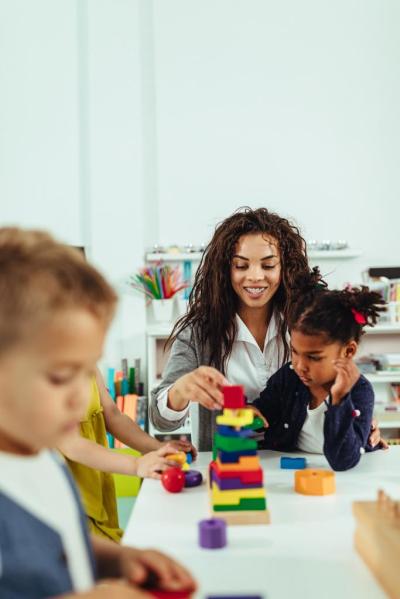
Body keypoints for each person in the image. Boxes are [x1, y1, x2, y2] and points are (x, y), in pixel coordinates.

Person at [0, 227, 196, 598]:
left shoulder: (42, 459)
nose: (79, 396)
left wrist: (119, 560)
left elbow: (60, 545)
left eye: (86, 369)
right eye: (60, 377)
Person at [150, 207, 385, 451]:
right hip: (229, 465)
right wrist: (180, 390)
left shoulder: (305, 325)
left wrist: (358, 422)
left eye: (268, 265)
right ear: (225, 270)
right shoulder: (198, 333)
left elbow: (338, 385)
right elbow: (160, 419)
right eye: (241, 266)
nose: (254, 276)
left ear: (285, 268)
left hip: (295, 467)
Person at [251, 276, 386, 470]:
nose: (300, 366)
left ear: (348, 351)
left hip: (343, 479)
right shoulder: (289, 376)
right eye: (295, 352)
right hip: (288, 470)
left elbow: (343, 460)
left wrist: (339, 400)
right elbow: (262, 411)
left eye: (314, 357)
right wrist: (250, 412)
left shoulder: (360, 391)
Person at [59, 368, 196, 542]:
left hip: (98, 491)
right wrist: (137, 465)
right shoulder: (43, 374)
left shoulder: (88, 365)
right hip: (71, 499)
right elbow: (71, 444)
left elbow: (113, 416)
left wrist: (157, 447)